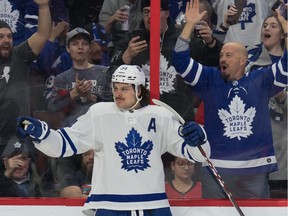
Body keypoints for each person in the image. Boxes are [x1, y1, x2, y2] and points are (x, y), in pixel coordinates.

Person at [16, 64, 211, 216]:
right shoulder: (100, 114)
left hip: (153, 204)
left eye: (125, 89)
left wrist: (199, 140)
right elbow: (64, 144)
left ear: (140, 90)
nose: (118, 94)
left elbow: (197, 155)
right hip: (110, 205)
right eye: (116, 88)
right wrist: (41, 133)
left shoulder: (160, 115)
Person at [172, 0, 287, 199]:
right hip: (216, 168)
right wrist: (189, 26)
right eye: (222, 55)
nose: (222, 58)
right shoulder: (210, 78)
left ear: (243, 61)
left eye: (229, 55)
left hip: (255, 168)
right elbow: (180, 61)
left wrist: (285, 28)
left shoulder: (261, 79)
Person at [111, 0, 195, 122]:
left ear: (166, 13)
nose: (150, 16)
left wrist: (211, 43)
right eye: (146, 12)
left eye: (155, 11)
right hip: (139, 117)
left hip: (179, 117)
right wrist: (127, 56)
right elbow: (111, 73)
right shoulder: (132, 39)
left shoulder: (182, 40)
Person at [0, 0, 51, 155]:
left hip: (18, 137)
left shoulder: (18, 55)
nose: (6, 40)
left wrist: (43, 6)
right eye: (1, 37)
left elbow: (42, 35)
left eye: (9, 36)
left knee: (20, 179)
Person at [245, 13, 287, 198]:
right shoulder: (248, 61)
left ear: (283, 33)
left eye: (273, 26)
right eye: (265, 25)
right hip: (254, 146)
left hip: (283, 142)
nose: (267, 29)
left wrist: (282, 96)